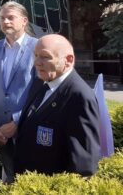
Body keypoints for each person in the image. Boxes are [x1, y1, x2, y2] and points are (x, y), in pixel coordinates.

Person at [14, 34, 100, 176]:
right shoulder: (40, 82)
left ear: (68, 60)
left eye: (45, 57)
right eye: (36, 55)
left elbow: (83, 164)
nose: (37, 62)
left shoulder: (79, 96)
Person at [0, 1, 36, 183]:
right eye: (2, 18)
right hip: (1, 133)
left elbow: (42, 92)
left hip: (29, 128)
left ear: (24, 21)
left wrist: (18, 121)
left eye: (11, 18)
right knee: (10, 178)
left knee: (31, 181)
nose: (6, 22)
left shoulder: (38, 48)